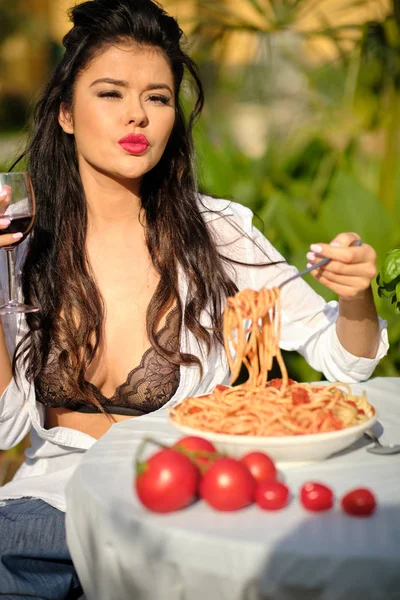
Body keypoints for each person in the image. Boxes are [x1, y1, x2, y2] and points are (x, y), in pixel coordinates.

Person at [0, 0, 388, 597]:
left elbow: (345, 359)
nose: (138, 116)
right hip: (45, 518)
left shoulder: (216, 235)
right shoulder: (21, 243)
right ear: (65, 114)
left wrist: (357, 295)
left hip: (175, 508)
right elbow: (7, 429)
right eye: (110, 94)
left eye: (157, 97)